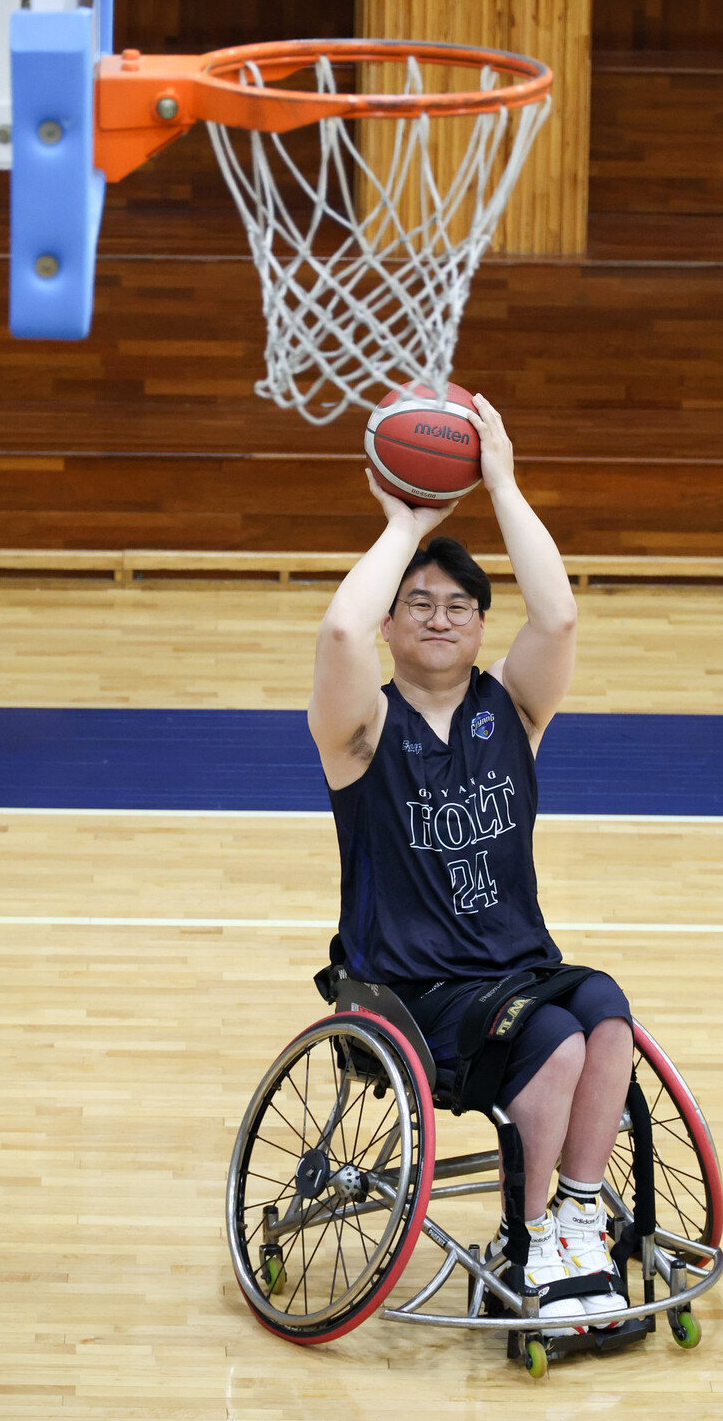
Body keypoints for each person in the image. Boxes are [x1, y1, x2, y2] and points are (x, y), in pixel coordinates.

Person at [308, 393, 633, 1333]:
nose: (440, 616)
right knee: (557, 1042)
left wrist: (500, 481)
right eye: (418, 603)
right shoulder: (360, 729)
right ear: (392, 626)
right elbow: (337, 634)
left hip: (517, 967)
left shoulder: (514, 714)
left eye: (459, 604)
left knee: (605, 1011)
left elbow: (560, 616)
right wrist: (405, 524)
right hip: (414, 987)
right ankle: (528, 1240)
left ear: (483, 626)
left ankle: (576, 1217)